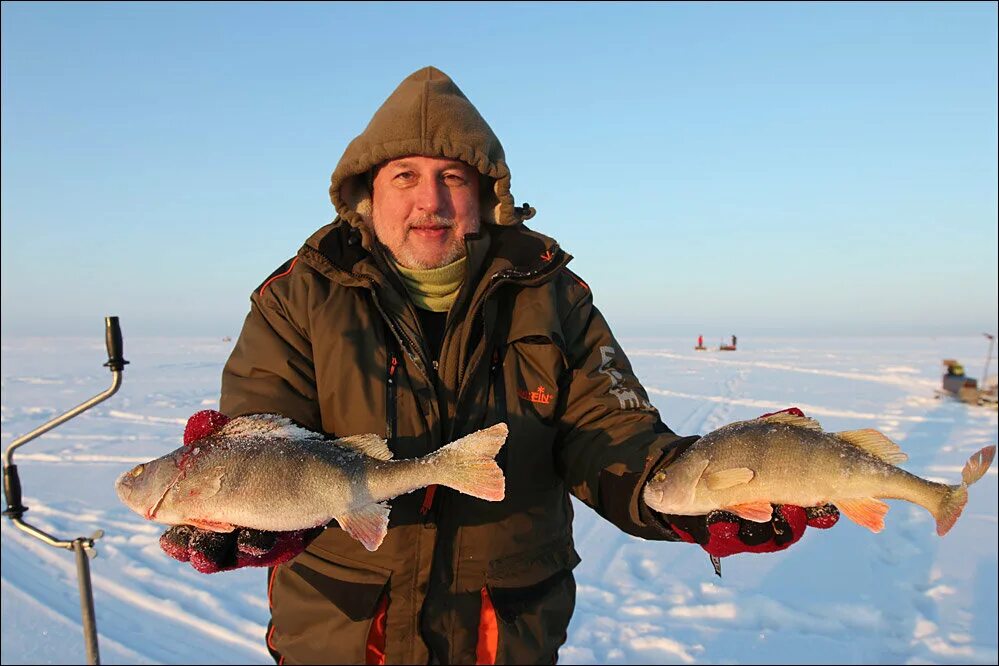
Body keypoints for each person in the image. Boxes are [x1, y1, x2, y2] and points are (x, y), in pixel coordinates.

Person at [159, 66, 839, 665]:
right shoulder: (298, 297)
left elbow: (612, 432)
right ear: (367, 197)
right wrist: (250, 509)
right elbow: (266, 429)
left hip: (502, 626)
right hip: (341, 626)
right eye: (405, 177)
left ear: (487, 199)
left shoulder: (552, 297)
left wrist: (690, 495)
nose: (429, 201)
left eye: (452, 177)